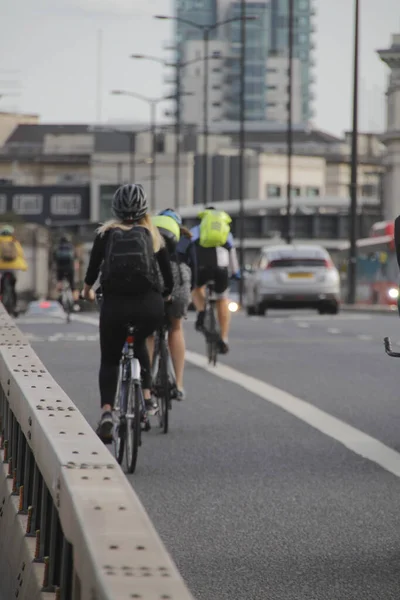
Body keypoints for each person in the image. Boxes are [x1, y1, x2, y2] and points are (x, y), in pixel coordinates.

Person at [82, 183, 173, 444]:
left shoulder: (105, 233)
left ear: (115, 209)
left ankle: (108, 412)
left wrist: (87, 291)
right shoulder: (153, 235)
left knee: (110, 359)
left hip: (115, 307)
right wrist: (164, 296)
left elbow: (92, 271)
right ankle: (146, 396)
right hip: (149, 306)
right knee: (140, 339)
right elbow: (168, 278)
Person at [151, 208, 197, 401]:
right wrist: (189, 292)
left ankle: (146, 383)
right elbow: (194, 268)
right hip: (179, 281)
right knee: (176, 328)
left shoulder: (149, 234)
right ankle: (178, 384)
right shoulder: (186, 239)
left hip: (154, 280)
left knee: (149, 332)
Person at [191, 206, 240, 354]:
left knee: (197, 289)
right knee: (222, 299)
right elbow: (231, 252)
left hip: (202, 268)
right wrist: (235, 272)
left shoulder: (197, 229)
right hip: (221, 269)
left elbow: (190, 249)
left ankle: (201, 312)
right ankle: (224, 339)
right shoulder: (225, 231)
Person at [0, 224, 28, 314]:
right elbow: (20, 255)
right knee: (13, 287)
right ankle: (15, 306)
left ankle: (2, 299)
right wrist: (24, 266)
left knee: (2, 285)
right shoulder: (14, 242)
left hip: (2, 267)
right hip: (13, 267)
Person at [54, 234, 78, 300]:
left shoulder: (57, 247)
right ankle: (76, 302)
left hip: (60, 268)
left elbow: (54, 259)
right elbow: (76, 259)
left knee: (59, 281)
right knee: (73, 285)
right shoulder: (71, 247)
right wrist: (76, 267)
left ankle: (58, 297)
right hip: (70, 268)